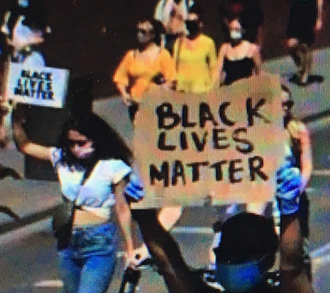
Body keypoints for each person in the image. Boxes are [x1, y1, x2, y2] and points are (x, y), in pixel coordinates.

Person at [12, 109, 138, 293]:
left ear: (96, 139)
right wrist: (13, 119)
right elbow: (25, 146)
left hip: (99, 242)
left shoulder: (112, 166)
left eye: (82, 143)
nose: (76, 149)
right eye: (71, 143)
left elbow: (122, 208)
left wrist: (130, 248)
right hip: (67, 241)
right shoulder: (62, 159)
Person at [274, 85, 314, 292]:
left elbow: (307, 166)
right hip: (268, 199)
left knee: (298, 251)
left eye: (287, 104)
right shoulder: (260, 132)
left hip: (292, 196)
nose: (284, 108)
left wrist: (296, 190)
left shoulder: (297, 130)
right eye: (279, 103)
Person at [113, 17, 176, 122]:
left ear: (152, 35)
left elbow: (172, 80)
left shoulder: (162, 55)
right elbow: (120, 77)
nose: (139, 34)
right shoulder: (131, 55)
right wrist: (124, 94)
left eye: (143, 32)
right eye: (138, 31)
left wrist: (162, 89)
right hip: (136, 105)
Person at [173, 4, 217, 93]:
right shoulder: (179, 42)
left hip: (201, 92)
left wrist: (212, 88)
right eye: (188, 22)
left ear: (200, 24)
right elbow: (173, 67)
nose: (191, 25)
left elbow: (214, 69)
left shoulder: (208, 42)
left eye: (194, 22)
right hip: (182, 92)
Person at [213, 17, 261, 86]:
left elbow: (259, 71)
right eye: (232, 29)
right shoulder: (225, 48)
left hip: (247, 88)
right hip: (231, 89)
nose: (234, 32)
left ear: (242, 31)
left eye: (237, 29)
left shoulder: (252, 48)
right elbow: (218, 70)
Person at [286, 0, 323, 85]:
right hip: (296, 12)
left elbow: (320, 1)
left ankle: (305, 72)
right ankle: (302, 68)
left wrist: (319, 18)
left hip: (309, 13)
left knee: (305, 45)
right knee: (290, 44)